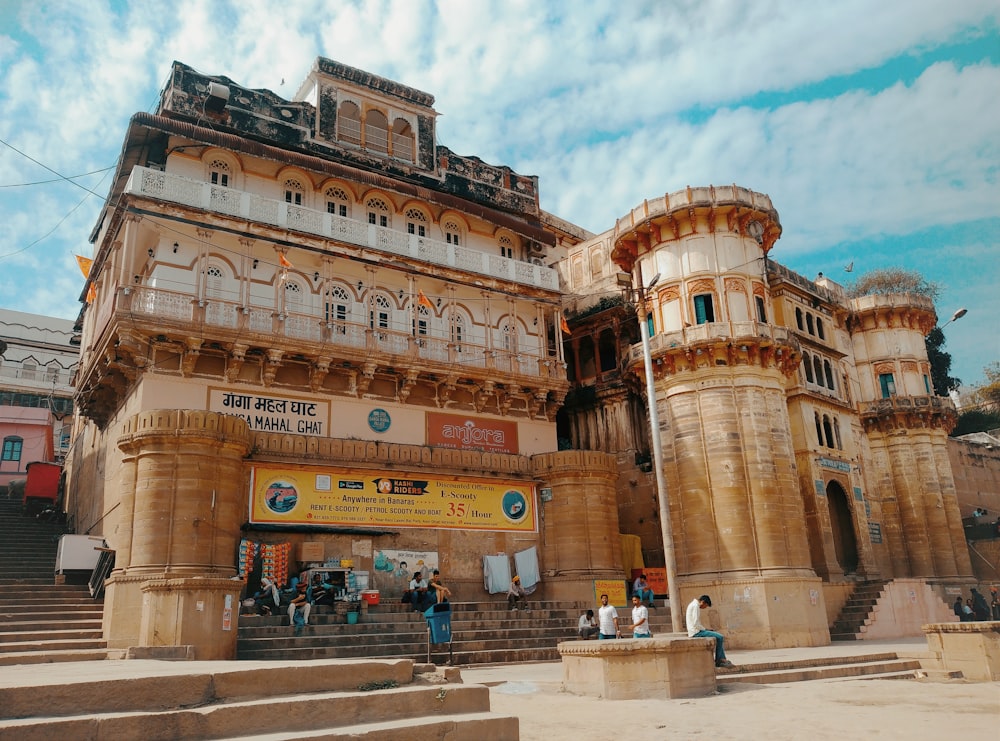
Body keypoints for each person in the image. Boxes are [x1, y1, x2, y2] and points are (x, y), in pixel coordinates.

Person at [686, 594, 734, 668]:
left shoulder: (693, 604)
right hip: (696, 632)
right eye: (706, 606)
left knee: (717, 635)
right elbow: (696, 623)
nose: (705, 608)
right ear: (703, 602)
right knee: (720, 637)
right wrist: (705, 629)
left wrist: (706, 629)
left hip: (694, 630)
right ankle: (720, 659)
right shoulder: (695, 606)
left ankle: (721, 659)